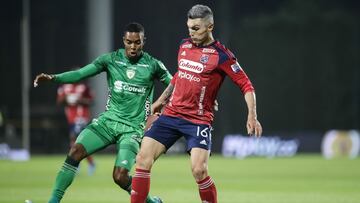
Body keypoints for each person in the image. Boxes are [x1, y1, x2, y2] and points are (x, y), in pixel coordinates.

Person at [131, 4, 262, 203]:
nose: (191, 32)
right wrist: (161, 101)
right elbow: (179, 75)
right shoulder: (184, 45)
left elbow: (246, 85)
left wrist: (252, 115)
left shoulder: (222, 55)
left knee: (199, 170)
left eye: (196, 28)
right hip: (171, 115)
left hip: (198, 120)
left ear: (210, 27)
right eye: (189, 27)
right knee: (142, 159)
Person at [33, 22, 171, 203]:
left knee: (120, 176)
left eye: (137, 42)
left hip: (132, 130)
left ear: (143, 41)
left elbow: (176, 84)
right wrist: (53, 78)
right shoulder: (110, 60)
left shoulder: (153, 65)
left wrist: (161, 103)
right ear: (123, 40)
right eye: (129, 42)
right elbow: (80, 74)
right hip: (107, 123)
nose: (133, 46)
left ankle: (152, 202)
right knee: (75, 151)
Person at [56, 79, 96, 175]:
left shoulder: (84, 88)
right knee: (78, 143)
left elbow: (91, 101)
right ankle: (89, 163)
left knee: (76, 141)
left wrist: (79, 100)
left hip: (81, 118)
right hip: (71, 119)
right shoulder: (65, 87)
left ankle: (75, 165)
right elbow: (59, 101)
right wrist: (67, 99)